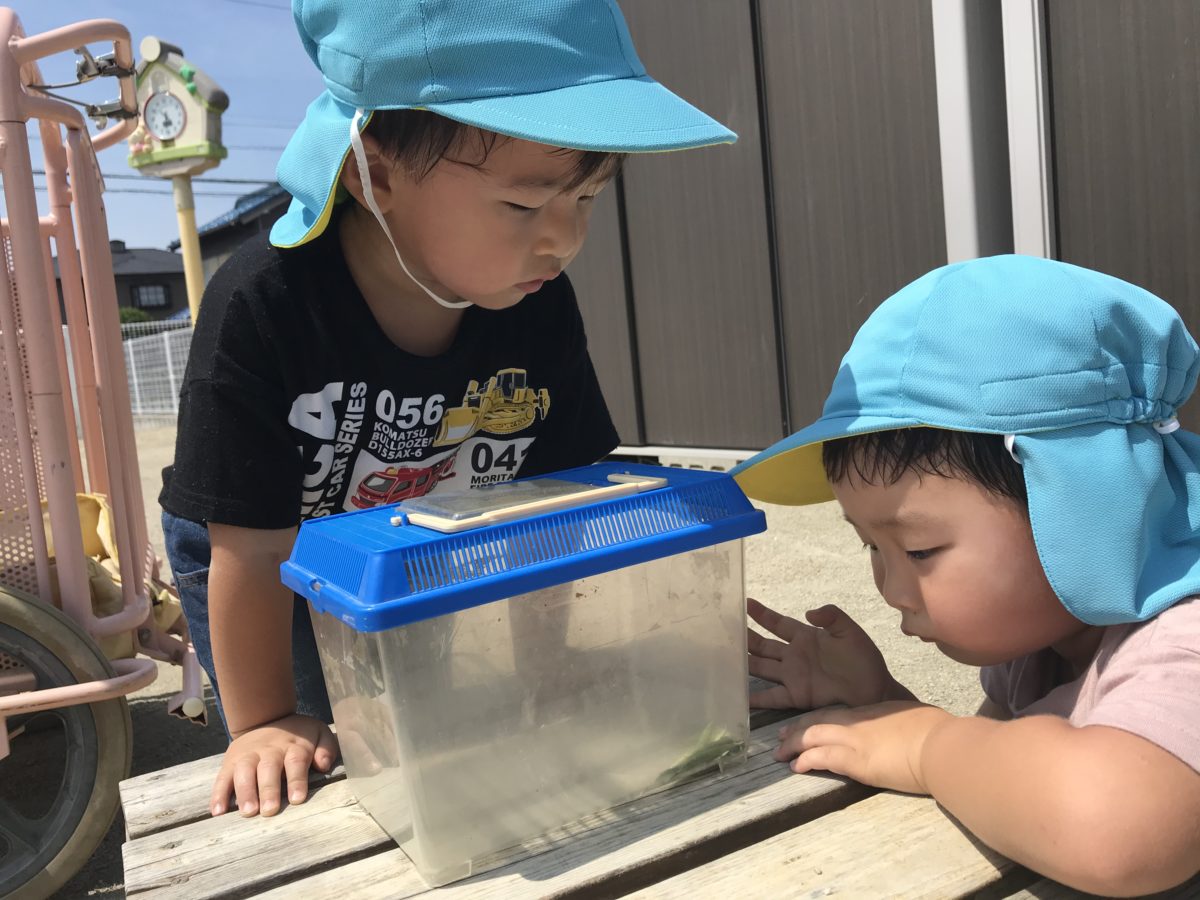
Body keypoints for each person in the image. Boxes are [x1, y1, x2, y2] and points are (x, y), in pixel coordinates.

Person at [159, 0, 736, 820]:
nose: (564, 239)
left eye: (588, 198)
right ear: (375, 173)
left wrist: (547, 668)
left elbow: (552, 506)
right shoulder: (266, 303)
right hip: (264, 543)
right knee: (322, 734)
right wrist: (264, 721)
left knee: (414, 699)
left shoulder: (536, 304)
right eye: (524, 206)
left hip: (409, 521)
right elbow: (250, 550)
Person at [732, 255, 1200, 896]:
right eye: (871, 546)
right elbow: (1015, 790)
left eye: (919, 550)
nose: (891, 590)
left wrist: (927, 745)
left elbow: (1118, 832)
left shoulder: (1182, 642)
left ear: (1084, 505)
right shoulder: (1041, 643)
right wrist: (888, 707)